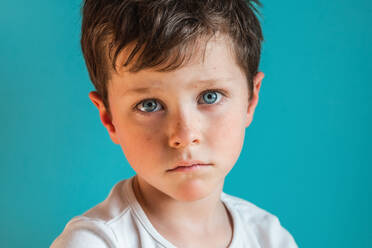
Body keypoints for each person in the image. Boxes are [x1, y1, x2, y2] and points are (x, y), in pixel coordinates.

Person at [51, 0, 298, 247]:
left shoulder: (270, 238)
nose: (184, 135)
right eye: (149, 105)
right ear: (109, 117)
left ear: (250, 100)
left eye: (209, 96)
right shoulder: (95, 242)